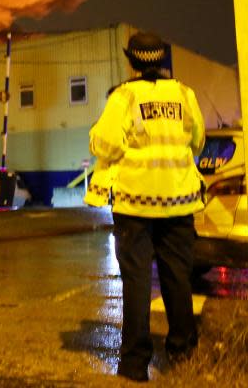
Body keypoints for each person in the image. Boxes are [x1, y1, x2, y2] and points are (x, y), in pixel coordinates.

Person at [88, 31, 206, 382]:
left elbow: (105, 144)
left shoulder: (124, 96)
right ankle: (184, 353)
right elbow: (197, 140)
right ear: (162, 60)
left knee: (137, 282)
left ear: (132, 61)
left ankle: (135, 363)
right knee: (177, 278)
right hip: (179, 202)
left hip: (135, 205)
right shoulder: (185, 94)